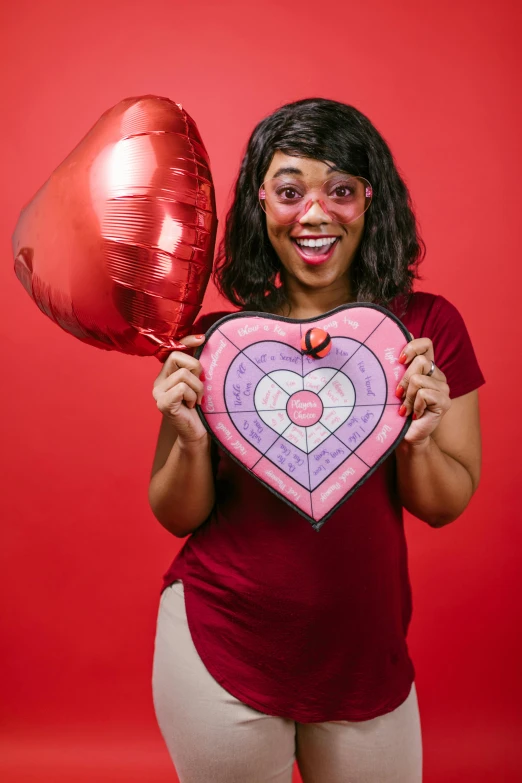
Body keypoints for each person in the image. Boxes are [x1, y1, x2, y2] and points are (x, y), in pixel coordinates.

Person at [148, 98, 485, 783]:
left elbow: (446, 503)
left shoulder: (425, 328)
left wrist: (418, 438)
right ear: (259, 205)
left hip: (364, 658)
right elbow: (175, 512)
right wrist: (187, 437)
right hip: (221, 640)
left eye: (340, 190)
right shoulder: (218, 341)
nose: (314, 213)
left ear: (371, 199)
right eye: (290, 190)